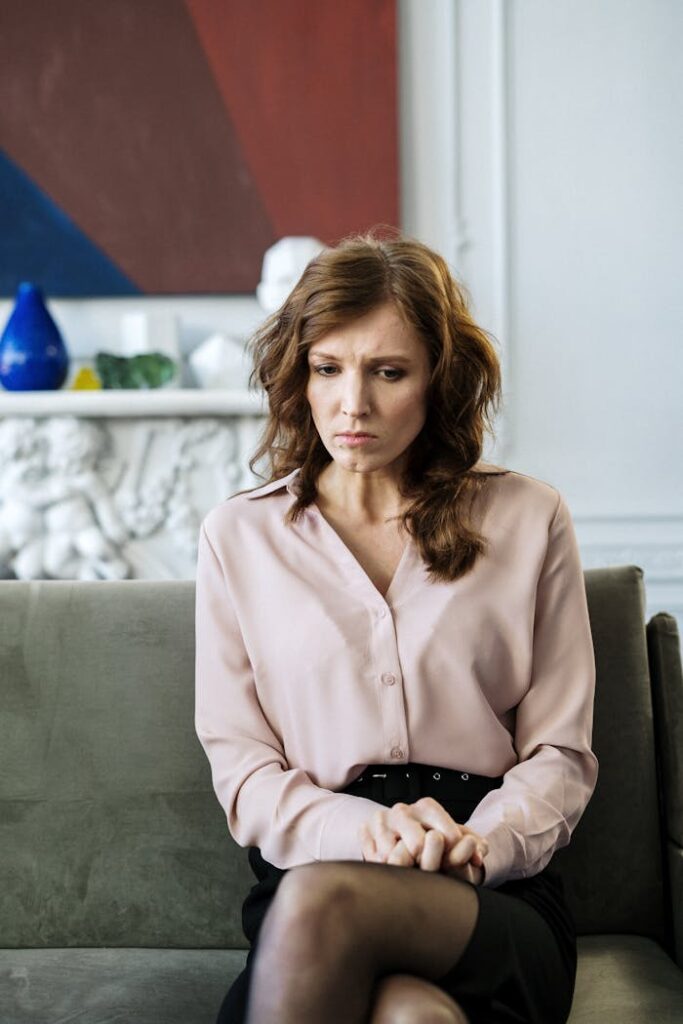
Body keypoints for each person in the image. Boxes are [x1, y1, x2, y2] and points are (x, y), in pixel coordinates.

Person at [194, 228, 599, 1024]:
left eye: (387, 372)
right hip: (320, 871)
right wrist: (371, 833)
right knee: (409, 1015)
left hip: (491, 889)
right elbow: (243, 772)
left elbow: (561, 752)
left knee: (326, 910)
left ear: (438, 382)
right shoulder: (239, 538)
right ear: (298, 377)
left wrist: (478, 846)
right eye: (327, 369)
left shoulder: (528, 518)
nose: (353, 404)